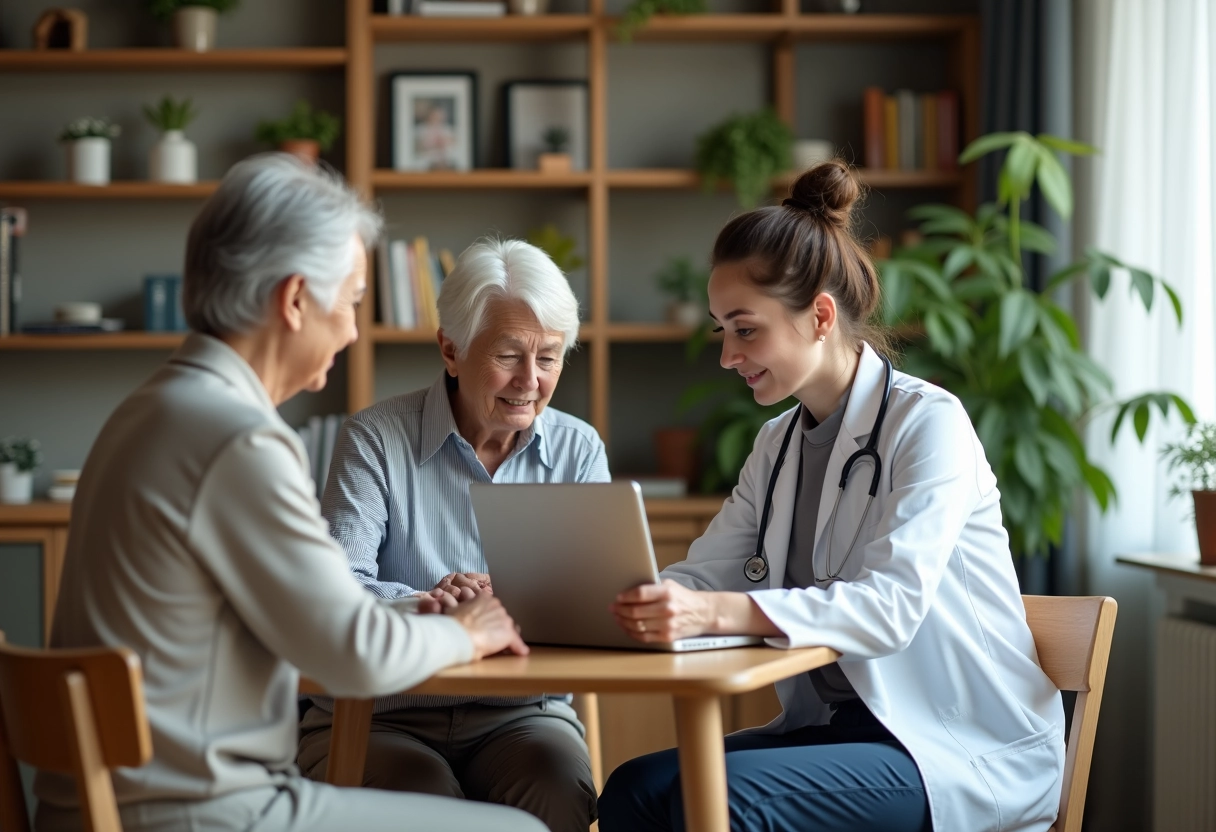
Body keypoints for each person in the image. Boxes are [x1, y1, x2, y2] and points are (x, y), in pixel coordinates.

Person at [33, 154, 546, 832]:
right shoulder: (236, 438)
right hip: (201, 813)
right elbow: (351, 653)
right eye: (353, 303)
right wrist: (465, 631)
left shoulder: (149, 409)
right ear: (296, 299)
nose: (355, 331)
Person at [597, 160, 1065, 832]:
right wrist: (616, 603)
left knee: (725, 806)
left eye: (745, 328)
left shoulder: (928, 423)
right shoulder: (777, 443)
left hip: (952, 745)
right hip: (843, 731)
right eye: (720, 329)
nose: (727, 355)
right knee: (635, 790)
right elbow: (704, 575)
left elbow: (890, 608)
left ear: (820, 315)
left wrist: (710, 613)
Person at [296, 238, 607, 832]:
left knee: (557, 792)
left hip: (521, 713)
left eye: (549, 357)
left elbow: (590, 603)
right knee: (426, 808)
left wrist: (508, 607)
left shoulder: (578, 449)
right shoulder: (376, 440)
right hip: (382, 711)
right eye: (510, 355)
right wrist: (435, 606)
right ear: (451, 350)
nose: (530, 381)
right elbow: (335, 594)